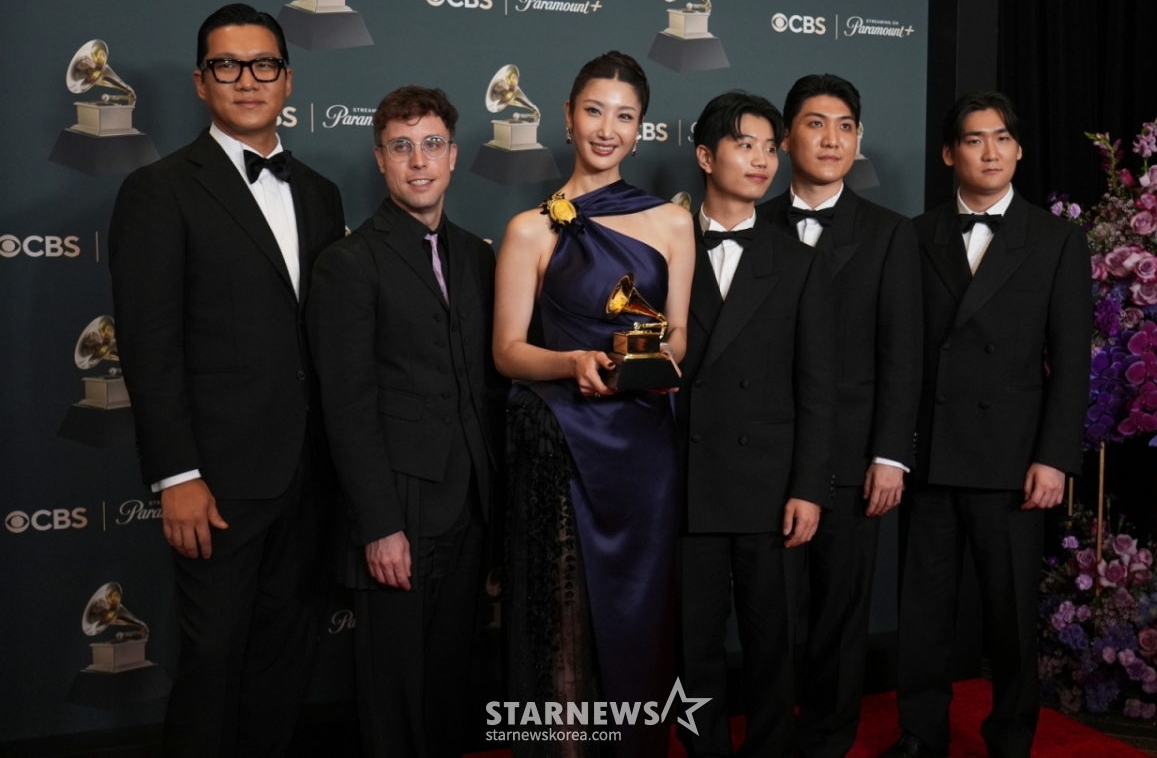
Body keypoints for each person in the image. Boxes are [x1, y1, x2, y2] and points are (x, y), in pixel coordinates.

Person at [108, 3, 345, 756]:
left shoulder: (319, 191)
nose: (248, 79)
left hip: (310, 475)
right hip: (216, 483)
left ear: (288, 77)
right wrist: (177, 474)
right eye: (227, 65)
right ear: (201, 81)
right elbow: (149, 345)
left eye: (264, 64)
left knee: (285, 659)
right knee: (212, 663)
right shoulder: (160, 190)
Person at [493, 51, 695, 755]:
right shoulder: (530, 228)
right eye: (594, 110)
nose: (607, 128)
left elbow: (678, 336)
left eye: (625, 115)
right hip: (563, 443)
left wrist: (651, 364)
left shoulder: (673, 221)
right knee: (566, 622)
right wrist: (573, 362)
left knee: (641, 618)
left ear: (642, 128)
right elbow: (509, 351)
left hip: (644, 449)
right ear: (568, 115)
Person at [879, 90, 1090, 758]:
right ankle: (921, 731)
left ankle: (1011, 737)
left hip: (1014, 460)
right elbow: (902, 355)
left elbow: (1072, 360)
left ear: (1019, 148)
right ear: (950, 153)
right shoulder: (916, 235)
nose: (991, 151)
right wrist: (895, 451)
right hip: (934, 455)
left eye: (1002, 138)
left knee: (1009, 616)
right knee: (923, 611)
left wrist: (1054, 457)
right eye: (974, 139)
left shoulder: (1058, 239)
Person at [308, 85, 507, 757]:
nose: (418, 161)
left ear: (453, 155)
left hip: (471, 505)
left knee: (453, 676)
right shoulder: (348, 262)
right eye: (402, 147)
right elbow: (347, 405)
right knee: (395, 688)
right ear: (381, 159)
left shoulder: (478, 256)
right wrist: (380, 523)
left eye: (431, 145)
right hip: (401, 506)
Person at [757, 74, 923, 758]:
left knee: (839, 615)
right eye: (817, 124)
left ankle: (826, 741)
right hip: (766, 455)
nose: (832, 138)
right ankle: (767, 739)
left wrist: (891, 452)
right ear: (787, 136)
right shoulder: (751, 221)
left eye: (846, 125)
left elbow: (902, 352)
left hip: (855, 458)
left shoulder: (889, 234)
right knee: (770, 616)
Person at [676, 90, 836, 756]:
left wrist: (808, 485)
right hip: (685, 482)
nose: (763, 160)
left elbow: (818, 387)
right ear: (706, 155)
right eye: (747, 145)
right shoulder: (664, 248)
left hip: (770, 487)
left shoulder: (798, 259)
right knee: (692, 646)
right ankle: (701, 748)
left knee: (775, 643)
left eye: (771, 147)